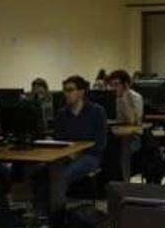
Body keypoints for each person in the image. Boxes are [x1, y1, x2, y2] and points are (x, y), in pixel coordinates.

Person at [32, 75, 108, 220]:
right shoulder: (61, 114)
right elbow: (59, 140)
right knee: (38, 172)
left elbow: (101, 143)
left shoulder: (97, 111)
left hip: (90, 157)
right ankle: (41, 211)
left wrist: (78, 153)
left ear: (81, 92)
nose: (66, 94)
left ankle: (56, 216)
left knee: (62, 175)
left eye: (70, 90)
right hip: (66, 156)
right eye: (65, 90)